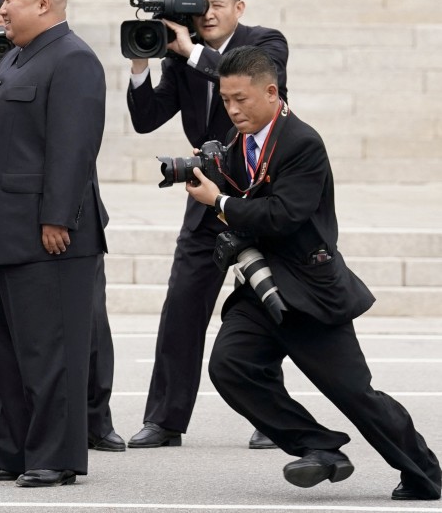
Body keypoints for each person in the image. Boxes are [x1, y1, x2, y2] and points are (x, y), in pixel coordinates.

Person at [186, 45, 442, 501]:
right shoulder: (236, 139)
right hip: (259, 285)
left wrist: (219, 202)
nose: (233, 109)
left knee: (356, 396)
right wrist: (210, 174)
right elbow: (242, 195)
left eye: (241, 99)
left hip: (309, 291)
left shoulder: (303, 142)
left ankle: (425, 473)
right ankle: (320, 447)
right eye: (226, 100)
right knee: (231, 368)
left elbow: (284, 215)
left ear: (271, 92)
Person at [126, 0, 288, 450]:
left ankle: (271, 418)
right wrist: (142, 58)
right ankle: (165, 420)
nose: (208, 13)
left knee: (269, 305)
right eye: (200, 5)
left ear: (239, 7)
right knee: (182, 304)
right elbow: (146, 119)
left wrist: (191, 51)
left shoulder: (265, 42)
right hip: (206, 189)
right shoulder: (181, 55)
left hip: (262, 189)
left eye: (217, 5)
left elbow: (243, 75)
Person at [0, 0, 108, 487]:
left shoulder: (73, 59)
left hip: (46, 235)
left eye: (10, 0)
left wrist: (56, 217)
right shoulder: (16, 60)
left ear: (43, 3)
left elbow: (74, 147)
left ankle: (54, 456)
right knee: (9, 354)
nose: (2, 9)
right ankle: (15, 449)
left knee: (50, 353)